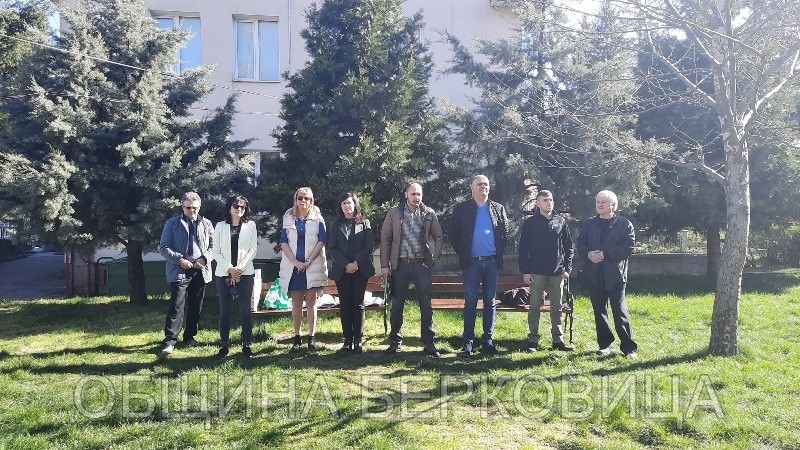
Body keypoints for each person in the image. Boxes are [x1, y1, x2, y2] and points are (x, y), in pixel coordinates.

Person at [380, 182, 444, 357]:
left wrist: (431, 260)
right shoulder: (394, 213)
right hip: (400, 265)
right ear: (406, 194)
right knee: (397, 305)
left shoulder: (429, 213)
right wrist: (385, 265)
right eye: (413, 194)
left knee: (425, 305)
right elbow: (385, 238)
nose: (417, 197)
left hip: (422, 265)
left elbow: (438, 237)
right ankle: (395, 341)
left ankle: (428, 341)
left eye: (419, 194)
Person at [449, 175, 509, 357]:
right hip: (471, 263)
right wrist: (464, 253)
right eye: (479, 184)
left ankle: (487, 341)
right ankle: (468, 343)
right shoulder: (462, 209)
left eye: (486, 184)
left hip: (492, 263)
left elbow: (505, 234)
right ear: (472, 187)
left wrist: (497, 254)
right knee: (470, 303)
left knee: (490, 302)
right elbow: (453, 234)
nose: (483, 186)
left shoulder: (498, 208)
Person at [576, 190, 638, 358]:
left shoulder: (624, 224)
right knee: (599, 311)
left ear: (613, 205)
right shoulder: (589, 224)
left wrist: (606, 254)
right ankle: (605, 345)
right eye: (598, 201)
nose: (600, 204)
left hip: (615, 275)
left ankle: (629, 348)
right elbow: (580, 244)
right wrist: (589, 254)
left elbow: (628, 248)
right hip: (594, 274)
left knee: (619, 312)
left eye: (603, 201)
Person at [159, 191, 214, 356]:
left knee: (196, 306)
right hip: (179, 269)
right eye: (188, 208)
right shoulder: (172, 223)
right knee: (176, 306)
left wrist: (204, 259)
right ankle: (170, 342)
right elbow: (164, 247)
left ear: (199, 207)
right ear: (182, 207)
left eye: (194, 208)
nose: (191, 211)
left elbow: (214, 246)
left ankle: (190, 337)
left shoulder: (207, 224)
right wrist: (179, 260)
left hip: (200, 270)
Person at [518, 190, 574, 353]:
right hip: (536, 272)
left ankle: (558, 340)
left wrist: (567, 269)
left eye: (551, 200)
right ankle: (533, 340)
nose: (549, 202)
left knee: (556, 307)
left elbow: (569, 247)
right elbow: (523, 248)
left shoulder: (561, 221)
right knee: (534, 307)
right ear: (538, 203)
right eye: (545, 200)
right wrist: (525, 271)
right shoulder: (530, 223)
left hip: (557, 272)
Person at [279, 187, 328, 350]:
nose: (303, 201)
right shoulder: (288, 217)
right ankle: (297, 337)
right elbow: (283, 242)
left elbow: (321, 241)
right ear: (295, 199)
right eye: (300, 198)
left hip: (312, 266)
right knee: (297, 303)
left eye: (306, 198)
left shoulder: (318, 218)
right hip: (294, 268)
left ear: (311, 200)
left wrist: (308, 261)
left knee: (311, 302)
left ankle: (311, 337)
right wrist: (295, 262)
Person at [327, 192, 376, 354]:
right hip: (342, 271)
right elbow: (332, 248)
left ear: (355, 204)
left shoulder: (364, 223)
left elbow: (369, 247)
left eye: (349, 203)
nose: (347, 206)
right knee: (345, 304)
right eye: (343, 203)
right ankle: (347, 341)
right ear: (340, 207)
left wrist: (355, 263)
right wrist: (346, 264)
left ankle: (358, 340)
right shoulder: (335, 225)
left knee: (358, 304)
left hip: (360, 270)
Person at [212, 195, 258, 359]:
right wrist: (230, 269)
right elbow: (215, 251)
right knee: (225, 311)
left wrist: (238, 269)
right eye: (236, 206)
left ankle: (246, 345)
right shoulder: (220, 226)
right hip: (223, 274)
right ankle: (224, 346)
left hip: (245, 274)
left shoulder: (251, 225)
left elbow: (252, 250)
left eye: (242, 207)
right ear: (229, 207)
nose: (239, 209)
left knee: (245, 311)